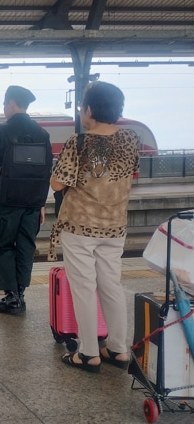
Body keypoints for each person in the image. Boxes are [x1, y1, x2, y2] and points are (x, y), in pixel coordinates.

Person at [50, 81, 139, 373]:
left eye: (81, 107)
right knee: (111, 285)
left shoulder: (80, 142)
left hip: (80, 226)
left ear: (89, 109)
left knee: (84, 288)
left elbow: (57, 183)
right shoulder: (130, 139)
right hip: (114, 225)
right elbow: (118, 175)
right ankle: (117, 348)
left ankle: (88, 353)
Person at [0, 85, 52, 315]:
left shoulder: (1, 131)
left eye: (4, 104)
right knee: (25, 247)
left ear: (11, 103)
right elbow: (45, 173)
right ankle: (20, 294)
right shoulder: (43, 134)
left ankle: (11, 297)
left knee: (1, 245)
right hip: (31, 204)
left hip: (5, 202)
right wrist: (41, 204)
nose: (3, 109)